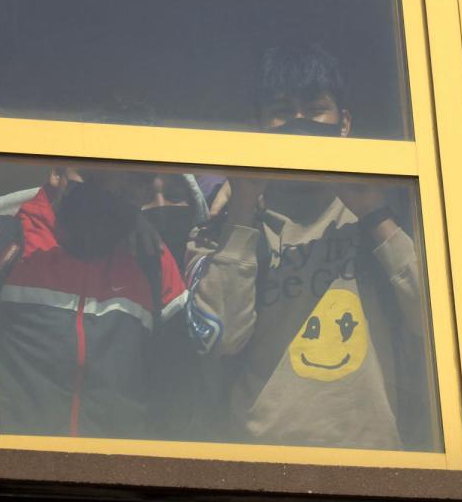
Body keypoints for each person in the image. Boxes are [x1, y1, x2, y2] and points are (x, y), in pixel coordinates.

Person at [182, 43, 430, 449]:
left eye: (316, 111)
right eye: (282, 112)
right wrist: (243, 208)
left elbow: (437, 323)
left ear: (344, 123)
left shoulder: (394, 216)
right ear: (260, 128)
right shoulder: (224, 227)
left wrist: (373, 212)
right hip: (262, 458)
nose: (300, 125)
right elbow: (221, 340)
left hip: (372, 455)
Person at [0, 166, 189, 438]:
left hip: (115, 469)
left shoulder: (152, 259)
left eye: (129, 192)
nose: (108, 201)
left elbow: (176, 387)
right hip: (15, 463)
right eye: (91, 180)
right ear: (58, 174)